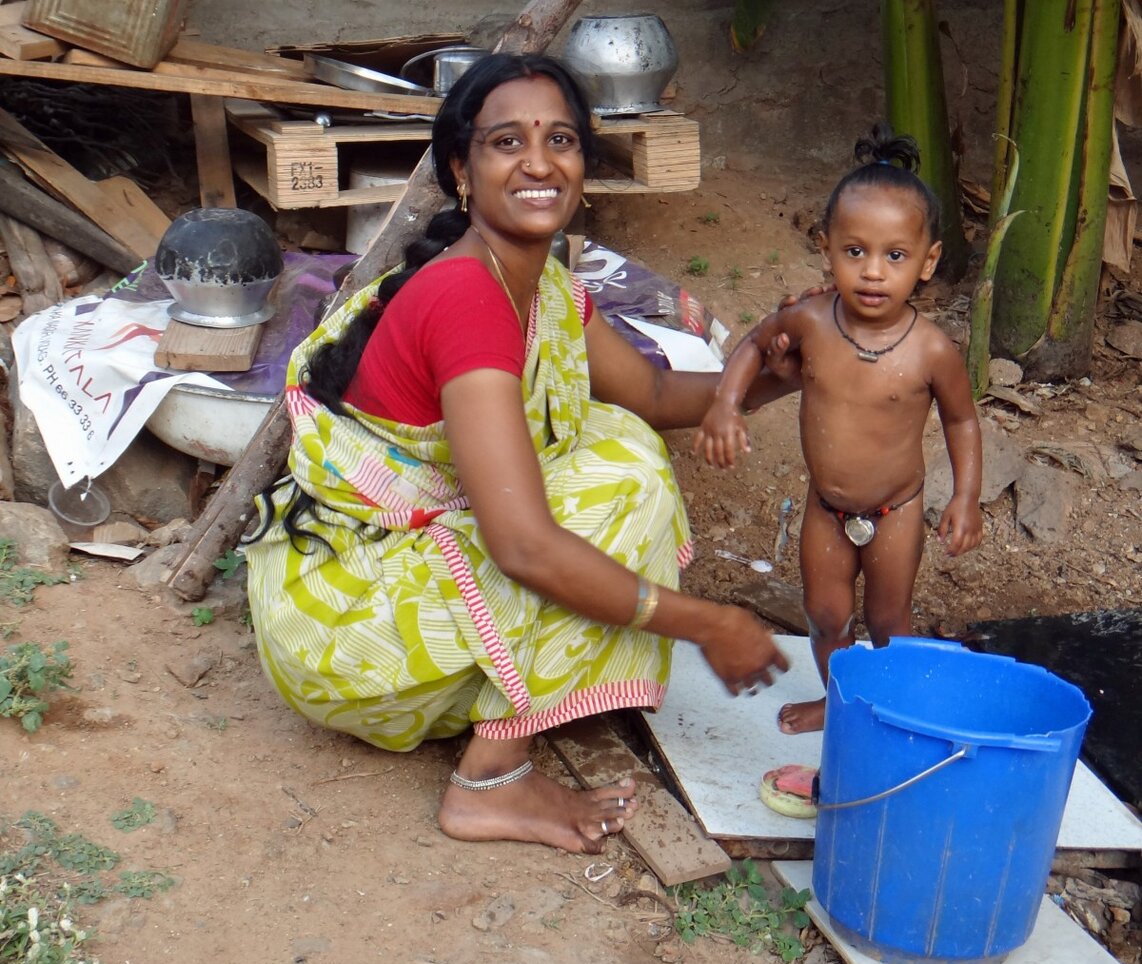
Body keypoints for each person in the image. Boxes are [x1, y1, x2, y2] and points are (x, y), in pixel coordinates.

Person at [245, 53, 800, 854]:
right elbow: (521, 545)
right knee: (611, 486)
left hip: (392, 589)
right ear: (462, 172)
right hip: (347, 636)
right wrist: (709, 623)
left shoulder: (542, 287)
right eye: (508, 142)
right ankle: (490, 783)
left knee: (622, 442)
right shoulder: (466, 296)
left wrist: (775, 374)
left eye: (562, 140)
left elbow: (646, 394)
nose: (540, 162)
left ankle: (532, 687)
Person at [693, 124, 983, 735]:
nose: (873, 272)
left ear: (928, 262)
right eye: (855, 252)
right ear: (827, 248)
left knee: (888, 621)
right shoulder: (810, 320)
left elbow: (961, 419)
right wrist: (725, 403)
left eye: (895, 256)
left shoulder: (932, 350)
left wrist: (965, 496)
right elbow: (751, 344)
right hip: (826, 508)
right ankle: (843, 704)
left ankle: (893, 712)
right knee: (825, 616)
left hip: (896, 511)